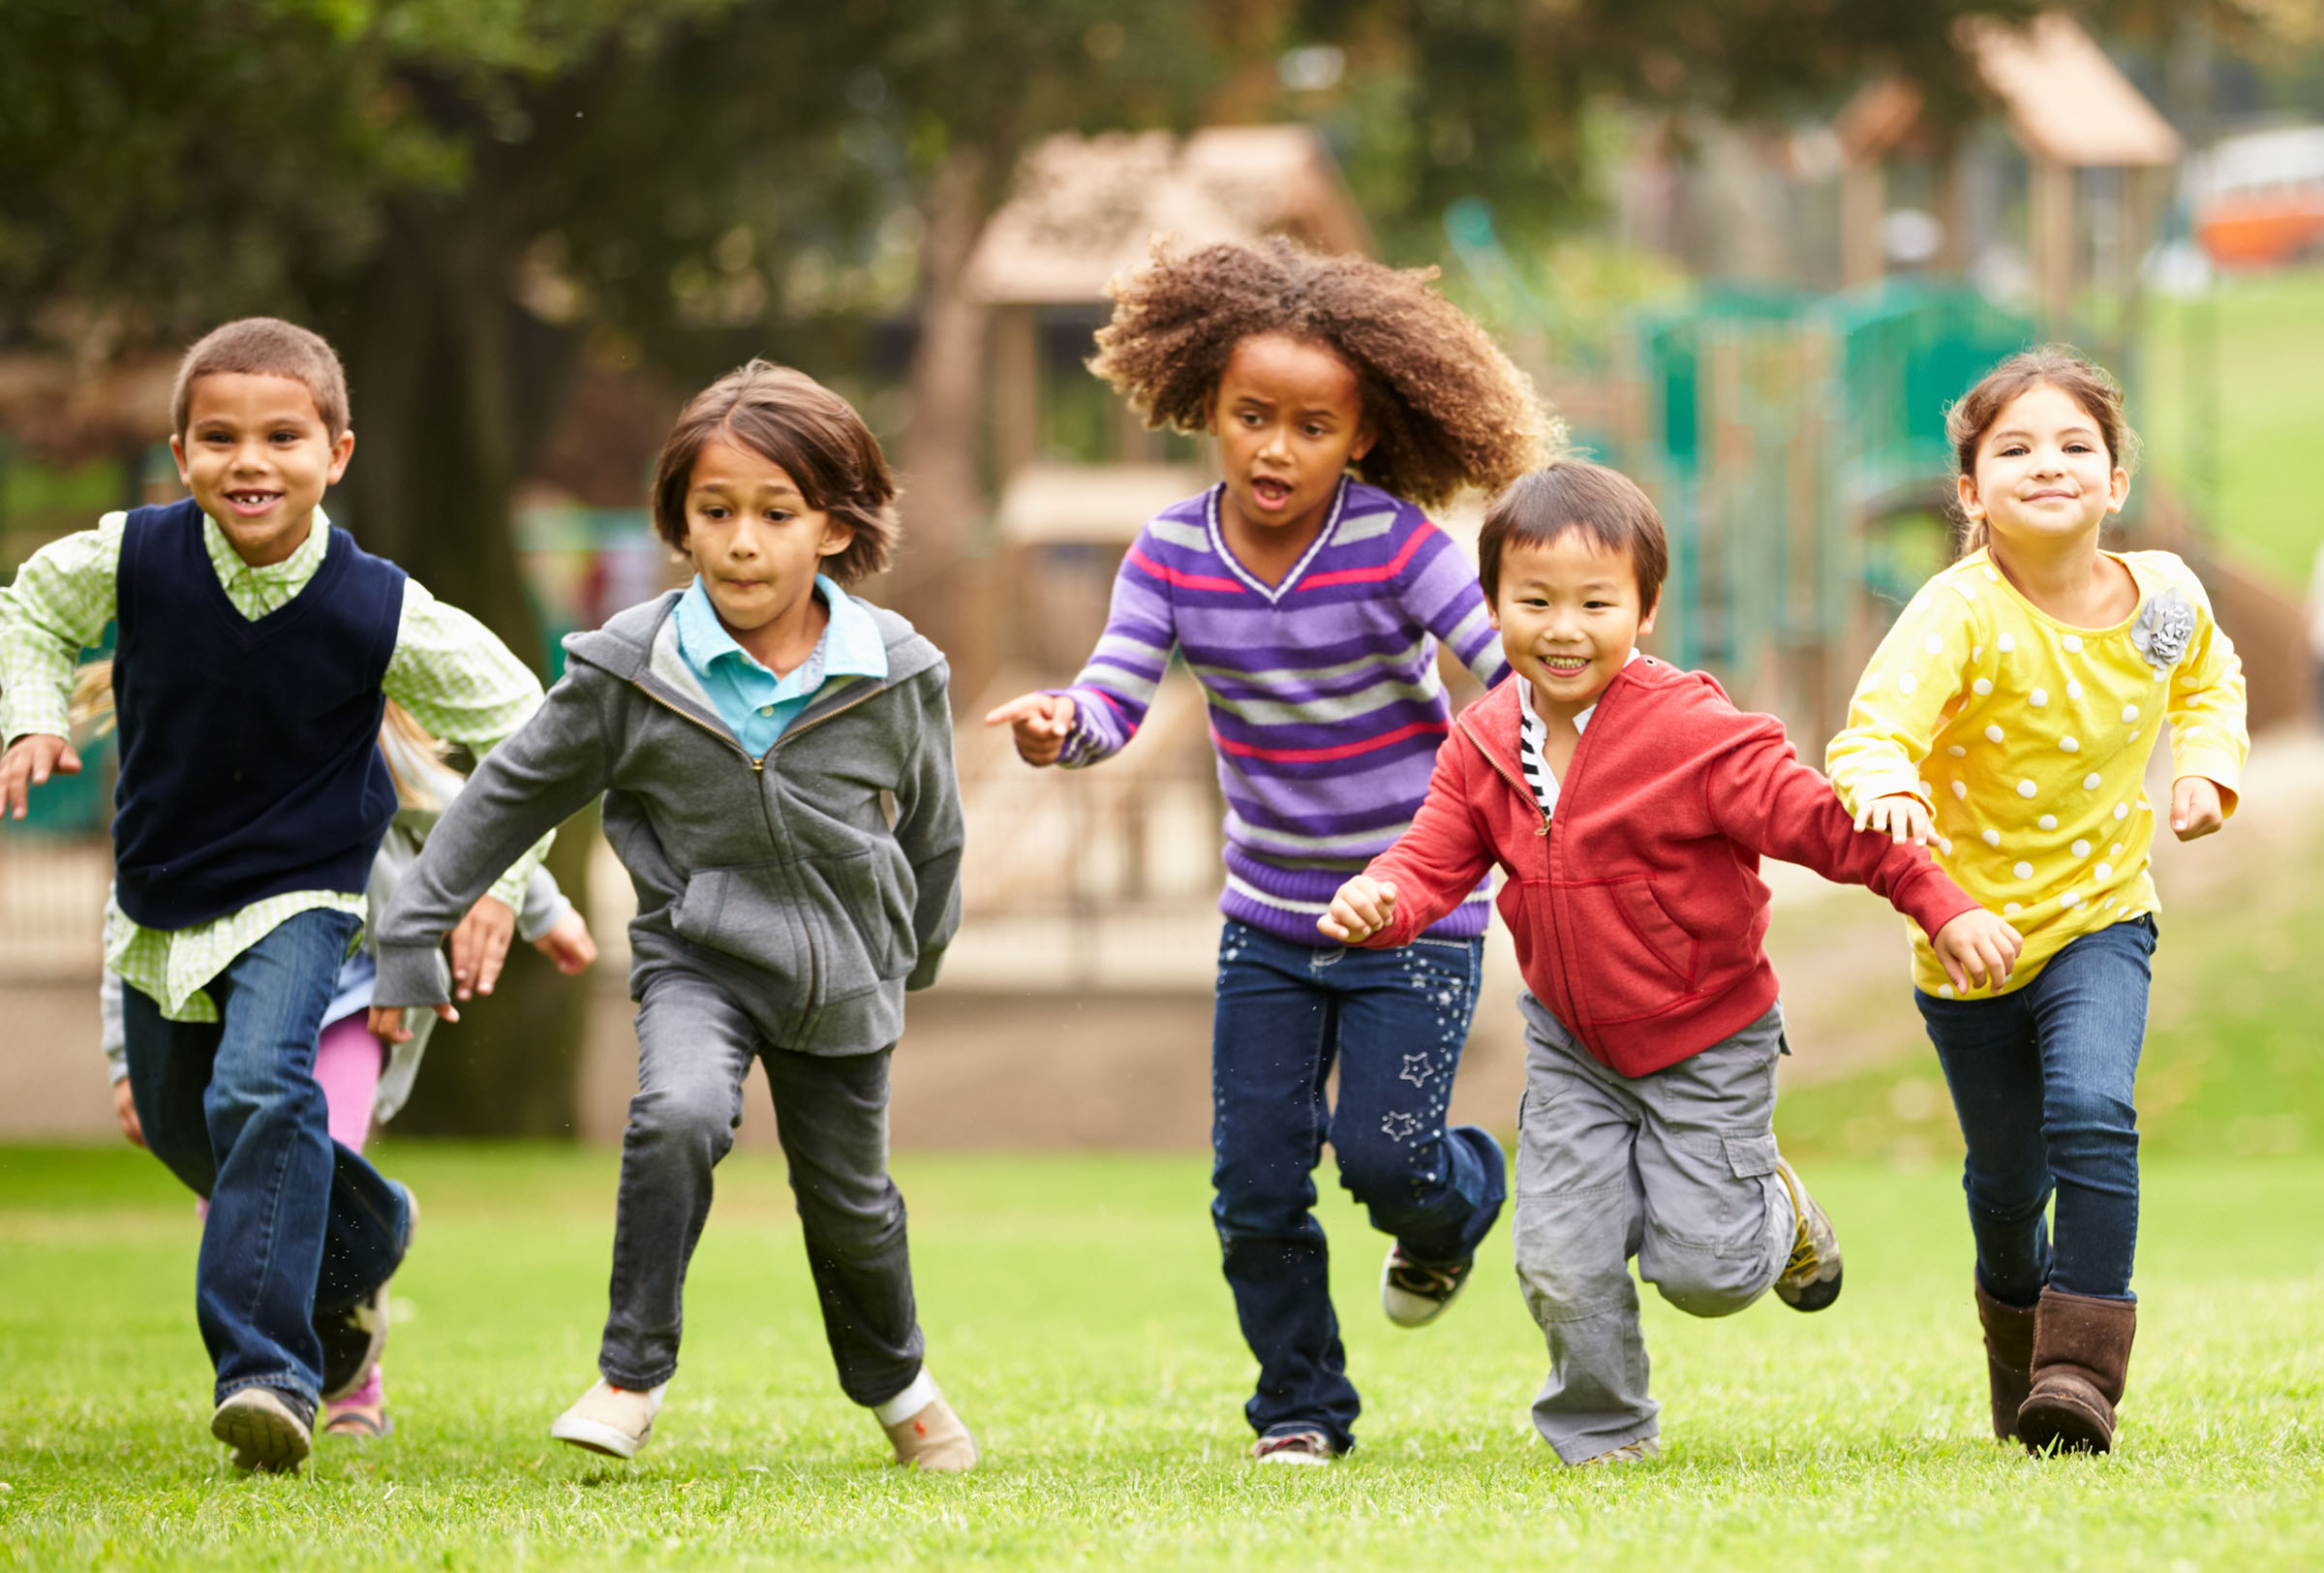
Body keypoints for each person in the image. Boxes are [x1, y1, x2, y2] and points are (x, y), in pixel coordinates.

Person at [1322, 460, 2017, 1466]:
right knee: (1559, 1256)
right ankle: (1601, 1431)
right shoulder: (1479, 743)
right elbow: (1430, 862)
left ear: (1644, 611)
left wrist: (1939, 900)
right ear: (1492, 606)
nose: (1564, 627)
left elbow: (1829, 826)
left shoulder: (1690, 732)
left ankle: (1774, 1213)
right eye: (1535, 601)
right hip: (1572, 1046)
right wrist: (1381, 897)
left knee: (1709, 1270)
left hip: (1708, 1038)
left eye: (1596, 602)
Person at [986, 237, 1548, 1465]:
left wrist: (1575, 752)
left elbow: (1507, 668)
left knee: (1388, 1160)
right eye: (1252, 417)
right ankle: (1300, 1408)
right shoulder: (1172, 554)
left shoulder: (1398, 545)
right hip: (1271, 928)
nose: (1275, 447)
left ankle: (1461, 1199)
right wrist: (1060, 729)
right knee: (1253, 1182)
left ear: (1360, 435)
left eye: (1310, 425)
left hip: (1414, 911)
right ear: (1206, 409)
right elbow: (1115, 696)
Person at [368, 360, 975, 1470]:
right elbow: (508, 791)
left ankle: (897, 1384)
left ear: (833, 529)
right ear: (682, 524)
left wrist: (915, 952)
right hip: (699, 952)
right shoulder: (628, 670)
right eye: (716, 511)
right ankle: (629, 1375)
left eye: (775, 514)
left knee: (850, 1208)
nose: (743, 540)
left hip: (845, 970)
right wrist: (413, 930)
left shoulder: (897, 671)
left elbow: (933, 828)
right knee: (679, 1115)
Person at [0, 317, 552, 1472]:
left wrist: (502, 879)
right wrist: (36, 713)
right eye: (220, 437)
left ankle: (268, 1374)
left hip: (306, 891)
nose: (251, 460)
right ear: (180, 452)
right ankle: (371, 1223)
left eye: (283, 436)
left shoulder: (378, 605)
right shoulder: (135, 558)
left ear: (337, 454)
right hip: (160, 894)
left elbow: (522, 725)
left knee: (259, 1085)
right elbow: (36, 604)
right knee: (179, 1120)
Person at [1827, 347, 2248, 1455]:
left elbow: (2204, 674)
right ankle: (2017, 1350)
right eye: (2014, 448)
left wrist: (2205, 764)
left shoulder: (2161, 597)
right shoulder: (1957, 614)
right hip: (1969, 946)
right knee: (2008, 1186)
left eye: (2076, 446)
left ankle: (2079, 1373)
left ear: (2115, 480)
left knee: (2095, 1113)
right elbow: (1875, 731)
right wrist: (1890, 788)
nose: (2047, 464)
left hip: (2103, 918)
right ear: (1970, 491)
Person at [92, 698, 598, 1439]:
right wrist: (123, 1058)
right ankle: (370, 1231)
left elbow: (478, 819)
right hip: (234, 1004)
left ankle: (351, 1391)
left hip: (356, 998)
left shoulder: (364, 738)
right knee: (244, 1199)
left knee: (298, 1177)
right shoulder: (186, 769)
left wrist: (542, 909)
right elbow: (132, 917)